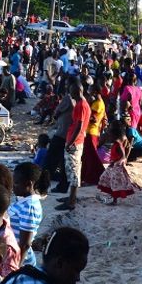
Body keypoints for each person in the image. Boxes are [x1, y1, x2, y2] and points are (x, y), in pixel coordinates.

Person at [55, 81, 90, 212]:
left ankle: (71, 201)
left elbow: (79, 126)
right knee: (72, 170)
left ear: (78, 91)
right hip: (75, 141)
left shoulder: (81, 105)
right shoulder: (83, 104)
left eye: (72, 92)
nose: (70, 94)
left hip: (75, 142)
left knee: (74, 172)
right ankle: (71, 197)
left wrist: (70, 143)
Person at [9, 162, 46, 267]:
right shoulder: (23, 201)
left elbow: (25, 244)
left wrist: (17, 267)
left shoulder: (30, 207)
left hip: (20, 261)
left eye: (16, 183)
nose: (13, 186)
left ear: (29, 184)